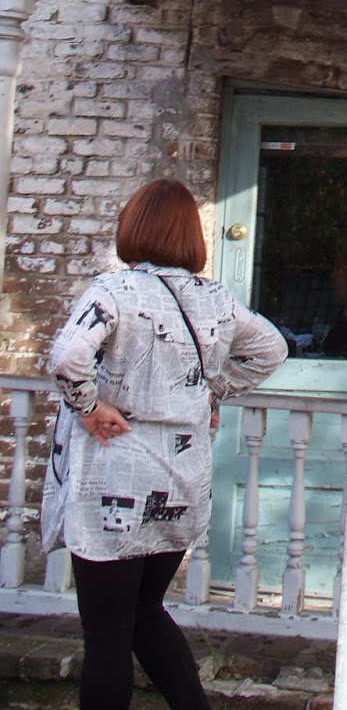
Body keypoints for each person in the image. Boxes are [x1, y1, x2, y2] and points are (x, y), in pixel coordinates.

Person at [41, 178, 288, 710]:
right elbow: (272, 348)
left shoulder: (114, 291)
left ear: (133, 227)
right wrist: (211, 391)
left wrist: (90, 408)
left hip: (115, 482)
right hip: (180, 482)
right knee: (145, 612)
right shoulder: (215, 299)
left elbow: (66, 358)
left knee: (107, 632)